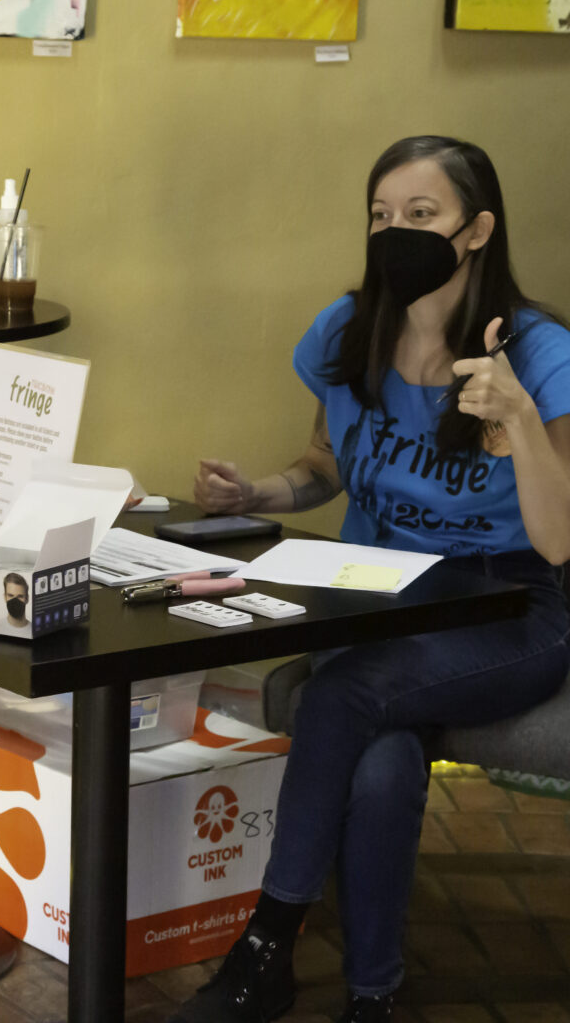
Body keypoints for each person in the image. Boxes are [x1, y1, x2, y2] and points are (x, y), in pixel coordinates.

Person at [169, 135, 570, 1022]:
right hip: (376, 595)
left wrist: (519, 418)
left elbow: (559, 541)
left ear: (476, 230)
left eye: (421, 215)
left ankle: (264, 949)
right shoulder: (349, 330)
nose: (396, 234)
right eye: (381, 216)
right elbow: (325, 465)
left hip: (507, 606)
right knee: (383, 760)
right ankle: (372, 998)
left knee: (343, 698)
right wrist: (256, 492)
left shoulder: (539, 354)